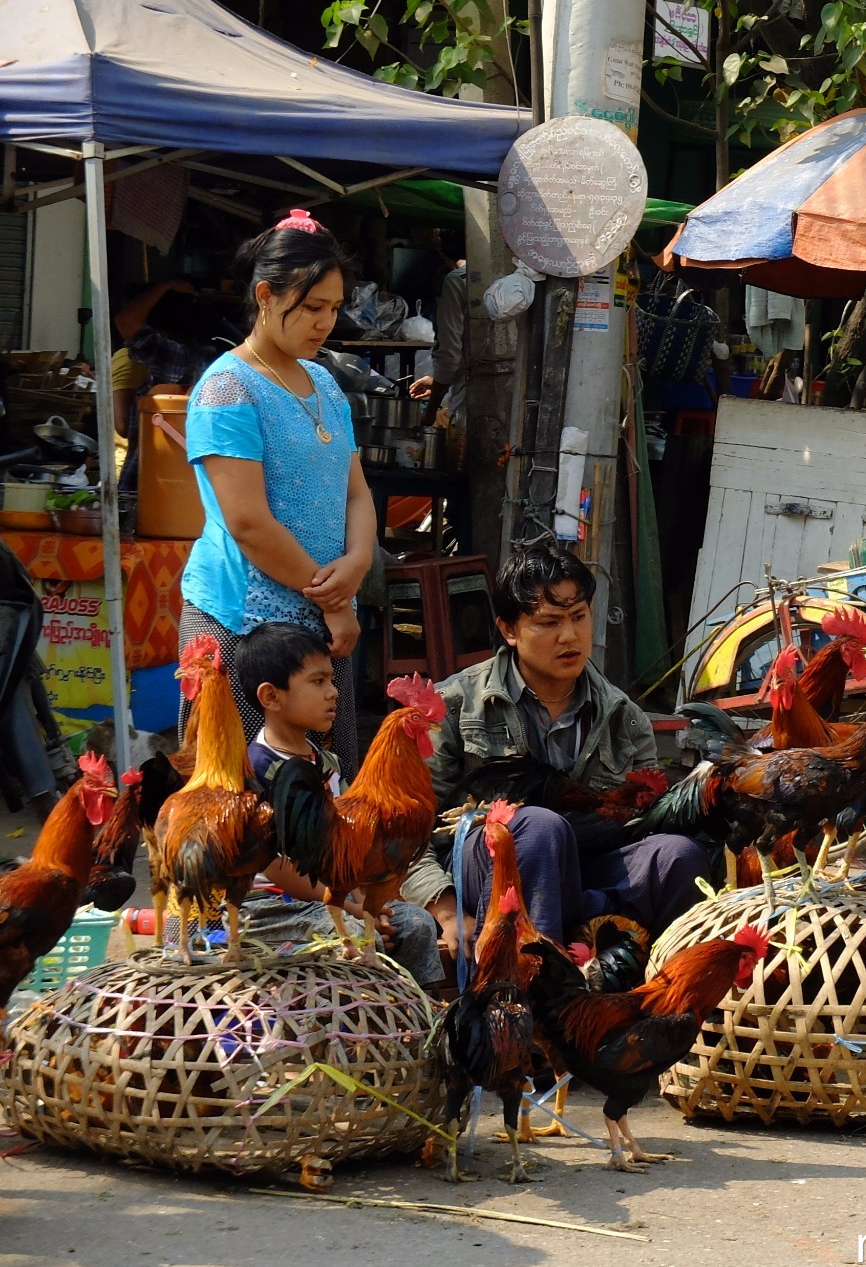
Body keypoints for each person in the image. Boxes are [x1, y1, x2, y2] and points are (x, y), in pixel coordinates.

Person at [429, 541, 720, 944]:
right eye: (549, 623)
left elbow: (641, 828)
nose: (570, 635)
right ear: (509, 630)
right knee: (537, 828)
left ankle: (652, 993)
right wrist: (445, 909)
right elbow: (401, 831)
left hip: (585, 868)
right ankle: (527, 988)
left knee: (677, 855)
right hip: (486, 865)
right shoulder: (456, 705)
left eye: (579, 617)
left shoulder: (624, 717)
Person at [178, 211, 376, 771]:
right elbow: (248, 523)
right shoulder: (226, 388)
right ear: (266, 295)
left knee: (324, 801)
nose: (325, 323)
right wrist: (335, 597)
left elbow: (355, 492)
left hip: (322, 618)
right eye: (312, 307)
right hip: (244, 624)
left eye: (334, 308)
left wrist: (359, 560)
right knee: (238, 802)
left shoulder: (326, 383)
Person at [235, 623, 446, 987]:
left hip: (335, 895)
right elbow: (275, 864)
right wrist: (354, 907)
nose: (333, 692)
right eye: (318, 682)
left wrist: (369, 904)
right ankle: (349, 1030)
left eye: (332, 680)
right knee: (357, 935)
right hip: (267, 907)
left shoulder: (326, 761)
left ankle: (415, 1013)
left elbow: (355, 846)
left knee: (417, 924)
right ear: (271, 696)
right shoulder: (256, 767)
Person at [408, 230, 467, 425]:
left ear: (443, 253)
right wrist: (437, 382)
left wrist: (431, 409)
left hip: (470, 400)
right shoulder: (501, 280)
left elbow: (450, 357)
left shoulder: (455, 282)